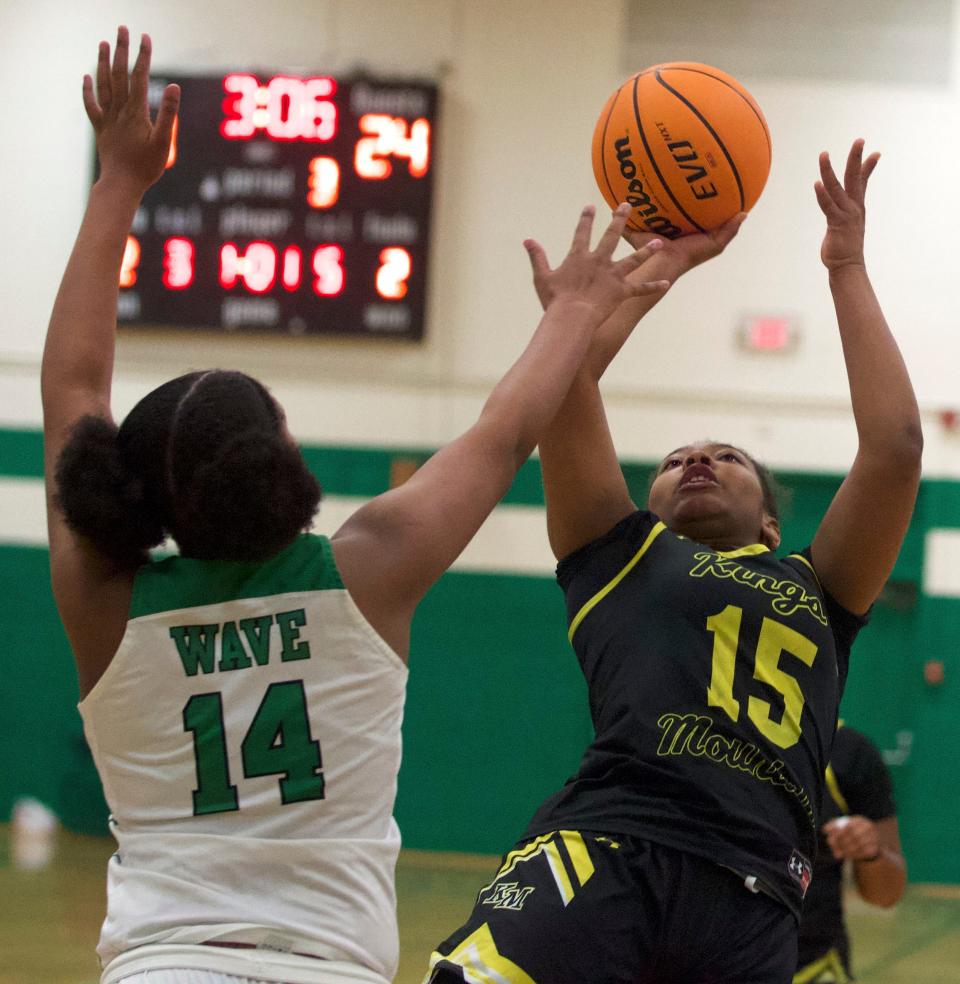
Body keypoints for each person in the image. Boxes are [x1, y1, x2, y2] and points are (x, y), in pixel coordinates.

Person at [42, 27, 673, 984]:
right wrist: (574, 313)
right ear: (282, 467)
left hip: (161, 967)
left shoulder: (104, 598)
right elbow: (506, 435)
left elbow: (74, 393)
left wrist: (118, 180)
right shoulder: (367, 566)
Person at [426, 140, 922, 984]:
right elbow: (568, 379)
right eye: (673, 460)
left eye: (725, 456)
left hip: (758, 894)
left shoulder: (821, 585)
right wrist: (666, 265)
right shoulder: (613, 554)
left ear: (769, 524)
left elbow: (897, 449)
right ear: (644, 503)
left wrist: (846, 265)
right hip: (605, 852)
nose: (695, 461)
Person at [795, 723, 906, 984]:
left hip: (813, 964)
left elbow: (887, 894)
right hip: (719, 959)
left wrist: (870, 851)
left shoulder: (848, 750)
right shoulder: (707, 736)